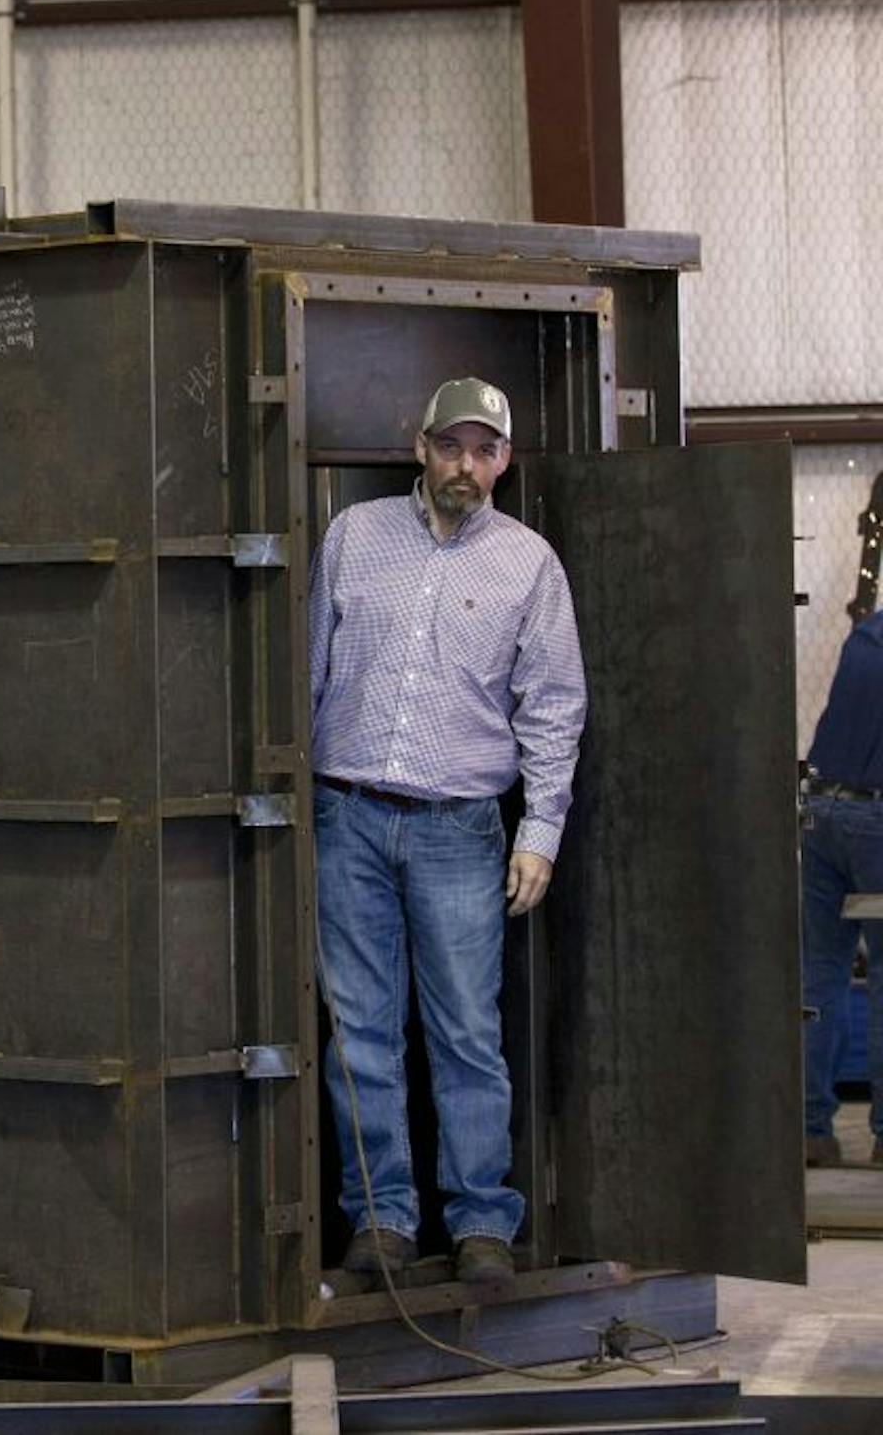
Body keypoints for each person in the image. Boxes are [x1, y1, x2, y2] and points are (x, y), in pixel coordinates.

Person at [307, 377, 587, 1289]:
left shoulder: (529, 564)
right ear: (418, 445)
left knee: (467, 1028)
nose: (467, 466)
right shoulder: (353, 538)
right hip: (347, 815)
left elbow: (553, 707)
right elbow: (307, 671)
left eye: (486, 450)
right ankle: (381, 1221)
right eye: (451, 446)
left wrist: (539, 828)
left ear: (505, 460)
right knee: (358, 1032)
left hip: (460, 828)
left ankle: (480, 1224)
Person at [800, 608, 883, 1167]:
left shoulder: (868, 632)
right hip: (874, 819)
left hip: (819, 812)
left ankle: (809, 1132)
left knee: (819, 975)